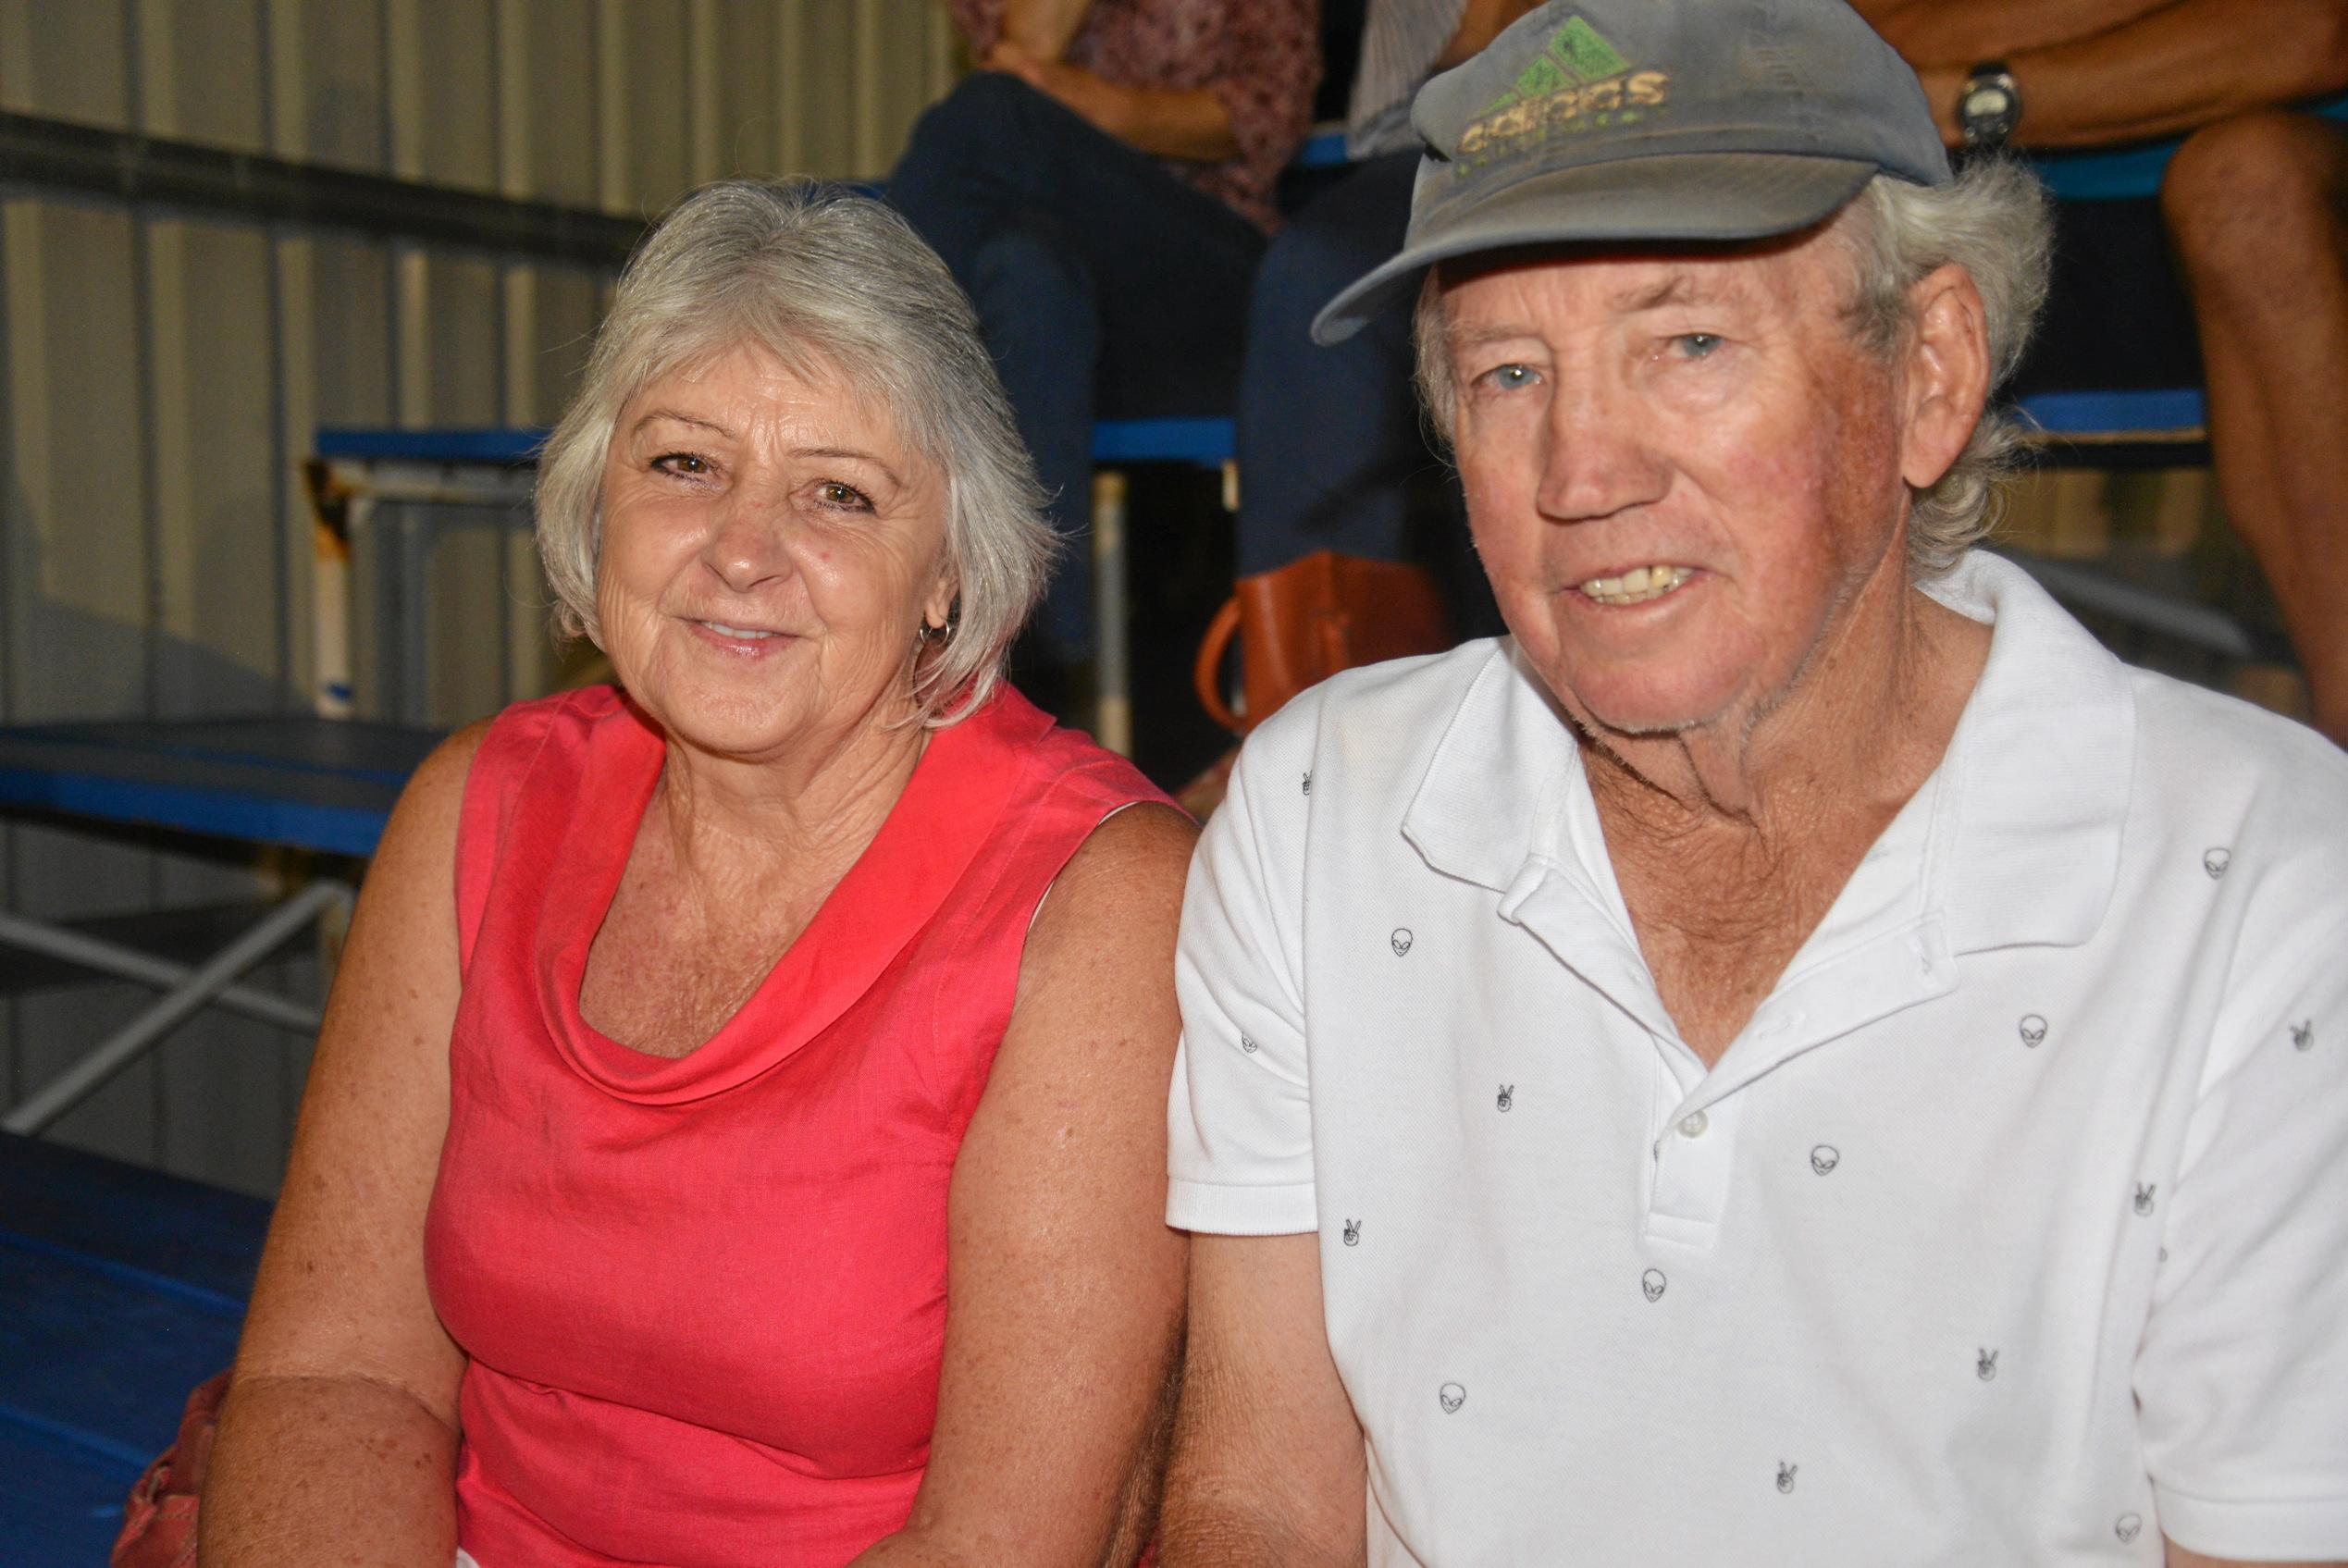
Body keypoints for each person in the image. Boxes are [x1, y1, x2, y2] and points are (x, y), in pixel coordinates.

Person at [1159, 3, 2348, 1563]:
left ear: (1927, 375)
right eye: (1507, 373)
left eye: (1690, 345)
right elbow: (1254, 1501)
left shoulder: (2258, 890)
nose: (1582, 473)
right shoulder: (1323, 814)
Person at [200, 179, 1194, 1567]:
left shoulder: (1094, 903)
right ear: (593, 498)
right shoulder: (475, 807)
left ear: (946, 573)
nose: (742, 548)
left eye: (837, 493)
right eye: (682, 464)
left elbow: (996, 1544)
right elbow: (335, 1376)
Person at [1858, 0, 2348, 744]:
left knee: (2246, 186)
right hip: (1961, 207)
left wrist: (1964, 95)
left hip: (2278, 180)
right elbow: (1850, 38)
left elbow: (2306, 31)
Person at [886, 0, 1318, 707]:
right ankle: (1032, 665)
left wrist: (1072, 101)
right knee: (1029, 278)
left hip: (1211, 277)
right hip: (1072, 290)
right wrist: (1039, 83)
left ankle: (858, 390)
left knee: (995, 116)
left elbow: (1262, 121)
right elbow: (1021, 44)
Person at [1234, 0, 1536, 578]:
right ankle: (1317, 639)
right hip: (1438, 146)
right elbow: (1475, 46)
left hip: (1681, 131)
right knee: (1315, 275)